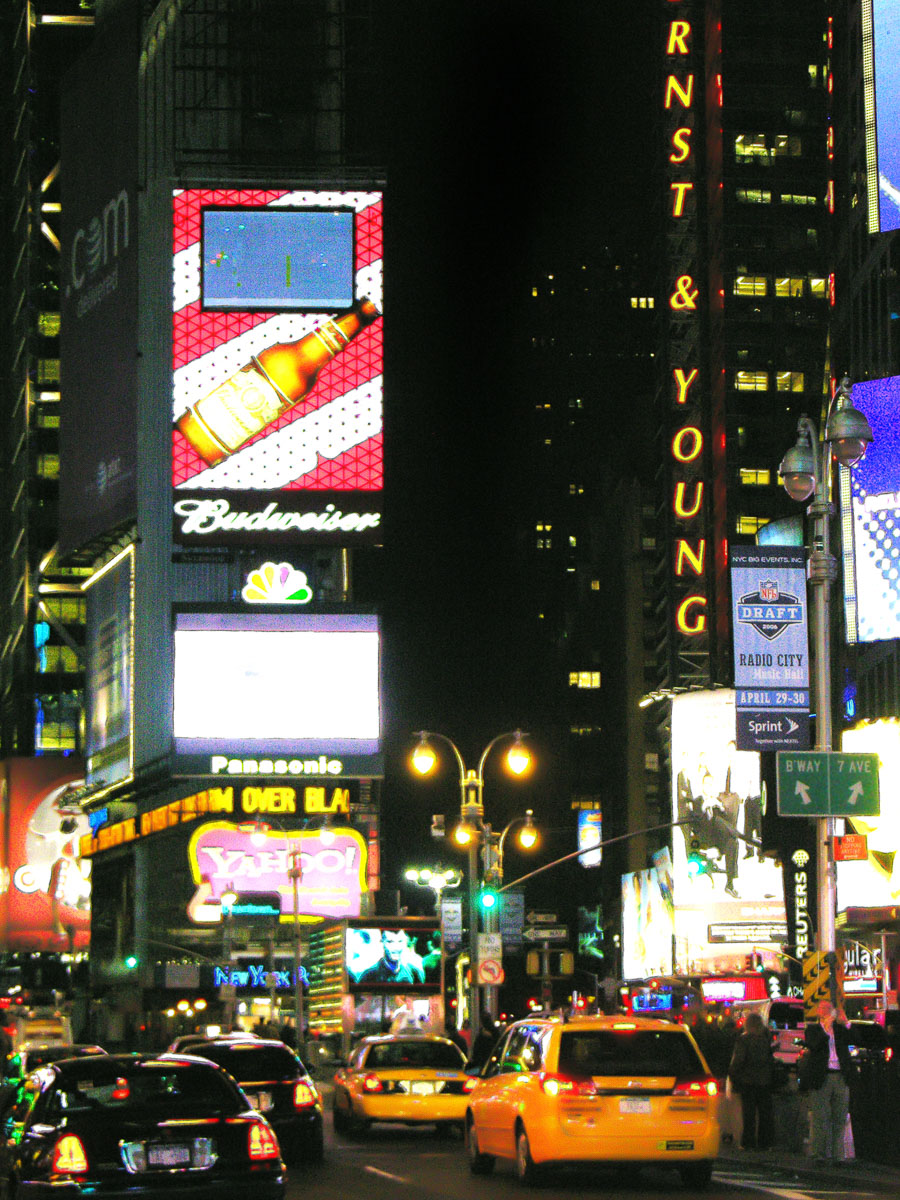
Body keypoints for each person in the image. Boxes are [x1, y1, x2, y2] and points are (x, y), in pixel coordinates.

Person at [802, 998, 854, 1162]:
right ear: (818, 1012)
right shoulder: (813, 1029)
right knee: (820, 1117)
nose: (827, 1011)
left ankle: (838, 1154)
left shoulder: (839, 1030)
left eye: (829, 1008)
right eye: (823, 1008)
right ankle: (820, 1153)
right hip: (822, 1077)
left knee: (839, 1117)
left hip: (840, 1075)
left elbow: (854, 1039)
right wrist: (825, 1029)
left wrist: (846, 1023)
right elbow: (814, 1045)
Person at [727, 1011, 775, 1150]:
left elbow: (739, 1060)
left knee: (749, 1114)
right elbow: (769, 1060)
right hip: (764, 1081)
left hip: (748, 1081)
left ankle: (748, 1142)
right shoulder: (765, 1039)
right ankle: (765, 1143)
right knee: (764, 1113)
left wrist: (732, 1074)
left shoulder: (744, 1040)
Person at [354, 929, 425, 985]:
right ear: (382, 943)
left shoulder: (414, 973)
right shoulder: (368, 976)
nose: (396, 947)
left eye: (400, 941)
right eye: (390, 942)